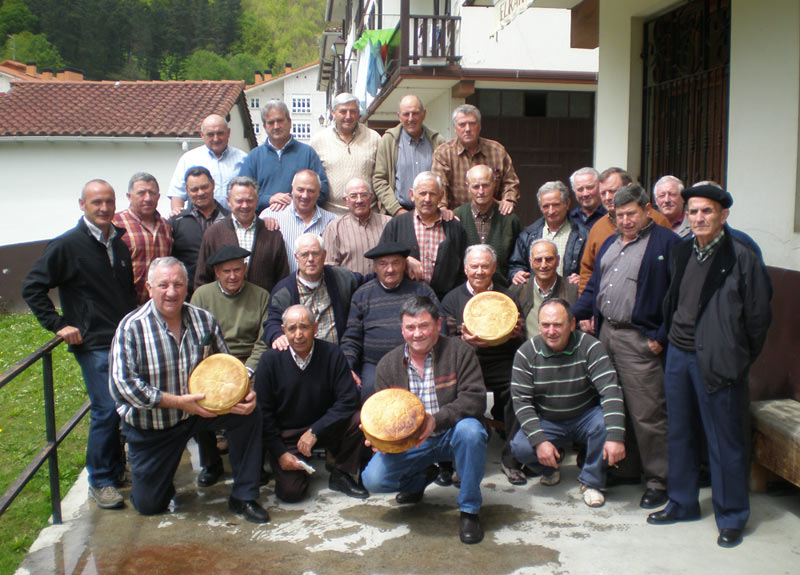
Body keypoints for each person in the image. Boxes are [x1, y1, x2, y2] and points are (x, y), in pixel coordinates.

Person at [648, 182, 772, 549]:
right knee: (680, 434)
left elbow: (759, 316)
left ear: (724, 215)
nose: (699, 218)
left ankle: (732, 515)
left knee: (725, 440)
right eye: (694, 212)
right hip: (679, 357)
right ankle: (682, 502)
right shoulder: (682, 250)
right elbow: (674, 299)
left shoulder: (742, 254)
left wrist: (737, 355)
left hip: (719, 360)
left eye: (707, 211)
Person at [109, 257, 268, 523]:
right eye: (163, 285)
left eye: (178, 284)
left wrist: (244, 393)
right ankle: (160, 481)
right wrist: (178, 402)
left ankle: (244, 496)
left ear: (187, 288)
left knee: (249, 413)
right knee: (150, 505)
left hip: (198, 411)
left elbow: (226, 365)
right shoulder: (131, 327)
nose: (171, 292)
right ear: (149, 288)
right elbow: (122, 386)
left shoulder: (204, 320)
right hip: (154, 425)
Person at [22, 179, 137, 510]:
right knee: (105, 409)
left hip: (121, 339)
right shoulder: (67, 245)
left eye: (109, 202)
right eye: (96, 202)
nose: (103, 208)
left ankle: (115, 470)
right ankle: (99, 480)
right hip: (93, 343)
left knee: (118, 408)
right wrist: (58, 325)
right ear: (82, 205)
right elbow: (33, 287)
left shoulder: (117, 242)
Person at [573, 184, 681, 509]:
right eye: (619, 215)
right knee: (612, 405)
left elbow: (679, 296)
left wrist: (660, 336)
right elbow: (594, 286)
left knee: (647, 412)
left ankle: (658, 481)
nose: (626, 220)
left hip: (639, 339)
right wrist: (576, 314)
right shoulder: (609, 241)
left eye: (631, 213)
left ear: (648, 209)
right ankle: (627, 468)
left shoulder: (667, 243)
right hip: (606, 334)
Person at [361, 296, 488, 545]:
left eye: (423, 326)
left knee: (472, 432)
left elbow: (475, 400)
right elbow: (382, 415)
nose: (417, 334)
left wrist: (436, 420)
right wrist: (376, 437)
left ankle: (470, 510)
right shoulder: (387, 365)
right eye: (410, 327)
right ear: (402, 329)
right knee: (373, 479)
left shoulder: (460, 351)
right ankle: (420, 477)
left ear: (438, 325)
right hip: (411, 443)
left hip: (452, 433)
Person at [509, 298, 626, 508]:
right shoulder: (526, 353)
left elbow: (610, 391)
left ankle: (592, 482)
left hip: (585, 416)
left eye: (558, 325)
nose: (551, 331)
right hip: (548, 420)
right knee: (520, 447)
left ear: (572, 324)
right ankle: (550, 468)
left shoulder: (590, 347)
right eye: (545, 325)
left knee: (605, 425)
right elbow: (522, 402)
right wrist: (540, 442)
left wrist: (616, 437)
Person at [254, 305, 369, 502]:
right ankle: (301, 465)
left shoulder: (332, 354)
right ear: (283, 330)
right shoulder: (269, 361)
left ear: (315, 328)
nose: (298, 334)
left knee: (361, 418)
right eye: (292, 328)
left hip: (325, 427)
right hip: (289, 435)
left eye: (304, 327)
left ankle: (341, 472)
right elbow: (263, 413)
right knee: (291, 494)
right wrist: (280, 453)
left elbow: (348, 399)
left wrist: (315, 430)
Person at [441, 245, 526, 485]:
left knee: (518, 389)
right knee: (453, 393)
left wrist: (513, 333)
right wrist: (464, 341)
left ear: (494, 268)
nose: (479, 271)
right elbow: (445, 343)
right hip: (466, 362)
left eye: (485, 266)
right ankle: (459, 463)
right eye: (474, 266)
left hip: (501, 360)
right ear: (465, 268)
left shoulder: (507, 297)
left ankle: (512, 459)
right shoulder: (452, 299)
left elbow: (519, 337)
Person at [189, 245, 270, 487]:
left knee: (255, 401)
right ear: (216, 272)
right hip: (213, 364)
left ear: (245, 269)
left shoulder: (261, 296)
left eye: (237, 270)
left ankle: (250, 464)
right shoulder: (202, 296)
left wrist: (246, 371)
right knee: (199, 398)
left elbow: (264, 339)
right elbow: (196, 339)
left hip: (248, 363)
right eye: (226, 271)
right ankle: (211, 463)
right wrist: (215, 371)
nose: (232, 276)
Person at [340, 241, 441, 400]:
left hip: (420, 360)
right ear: (375, 267)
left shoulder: (421, 290)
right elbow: (352, 337)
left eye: (396, 263)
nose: (390, 269)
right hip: (375, 364)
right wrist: (348, 366)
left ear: (404, 264)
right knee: (370, 396)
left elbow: (439, 328)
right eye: (383, 264)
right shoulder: (362, 295)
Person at [577, 168, 672, 295]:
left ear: (629, 188)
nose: (608, 198)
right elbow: (587, 271)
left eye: (612, 191)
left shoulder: (658, 221)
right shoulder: (598, 227)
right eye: (603, 193)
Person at [378, 171, 467, 300]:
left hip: (443, 302)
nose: (427, 199)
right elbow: (381, 259)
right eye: (422, 193)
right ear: (412, 195)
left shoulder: (454, 227)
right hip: (404, 300)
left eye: (432, 194)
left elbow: (463, 269)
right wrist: (405, 259)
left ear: (441, 196)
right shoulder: (397, 224)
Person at [263, 234, 359, 349]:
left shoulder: (342, 278)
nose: (310, 259)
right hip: (302, 360)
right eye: (304, 254)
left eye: (315, 253)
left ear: (324, 255)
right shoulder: (283, 291)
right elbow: (272, 322)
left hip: (338, 358)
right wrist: (277, 335)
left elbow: (369, 282)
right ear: (296, 257)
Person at [194, 176, 289, 292]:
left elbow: (282, 279)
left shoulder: (272, 235)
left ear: (257, 200)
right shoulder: (213, 234)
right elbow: (202, 279)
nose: (244, 206)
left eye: (249, 200)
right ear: (228, 201)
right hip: (221, 308)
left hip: (263, 307)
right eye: (239, 201)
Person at [238, 99, 329, 213]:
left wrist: (295, 200)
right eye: (271, 122)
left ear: (290, 122)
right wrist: (268, 199)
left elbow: (323, 189)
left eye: (280, 120)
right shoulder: (254, 157)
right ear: (265, 127)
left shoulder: (307, 153)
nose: (276, 126)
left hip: (301, 223)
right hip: (263, 224)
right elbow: (241, 192)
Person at [432, 104, 519, 213]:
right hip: (455, 217)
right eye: (462, 124)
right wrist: (442, 209)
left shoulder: (497, 151)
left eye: (472, 124)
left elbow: (510, 182)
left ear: (480, 125)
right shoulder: (444, 153)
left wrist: (508, 200)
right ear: (455, 128)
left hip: (492, 216)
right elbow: (438, 184)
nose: (467, 129)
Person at [373, 94, 445, 216]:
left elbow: (444, 180)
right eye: (406, 114)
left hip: (432, 214)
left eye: (415, 113)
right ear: (399, 116)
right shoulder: (389, 141)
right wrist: (397, 210)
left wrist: (441, 206)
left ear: (424, 114)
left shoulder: (437, 141)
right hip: (397, 213)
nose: (411, 118)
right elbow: (379, 180)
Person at [310, 92, 381, 216]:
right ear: (333, 113)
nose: (348, 116)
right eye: (343, 112)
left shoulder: (374, 138)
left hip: (367, 215)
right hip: (331, 216)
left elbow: (381, 177)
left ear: (358, 113)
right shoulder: (318, 141)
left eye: (353, 111)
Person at [453, 164, 521, 288]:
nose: (481, 191)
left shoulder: (509, 219)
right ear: (468, 188)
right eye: (475, 186)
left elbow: (517, 260)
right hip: (465, 292)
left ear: (494, 184)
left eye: (485, 185)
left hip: (501, 291)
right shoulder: (457, 217)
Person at [507, 181, 586, 286]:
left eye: (556, 205)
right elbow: (516, 265)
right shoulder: (528, 235)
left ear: (567, 204)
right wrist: (516, 274)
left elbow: (593, 270)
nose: (551, 211)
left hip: (569, 297)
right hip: (536, 298)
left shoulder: (583, 235)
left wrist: (584, 279)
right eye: (546, 206)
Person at [260, 169, 337, 274]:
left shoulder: (332, 222)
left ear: (319, 192)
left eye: (311, 191)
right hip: (282, 288)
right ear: (292, 189)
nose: (305, 196)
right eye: (300, 190)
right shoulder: (271, 215)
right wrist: (262, 223)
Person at [167, 114, 248, 214]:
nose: (216, 138)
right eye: (210, 134)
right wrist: (178, 218)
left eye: (220, 133)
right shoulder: (189, 159)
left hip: (233, 222)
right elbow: (177, 194)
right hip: (199, 223)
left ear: (228, 133)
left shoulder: (243, 159)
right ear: (202, 135)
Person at [113, 172, 173, 304]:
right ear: (129, 196)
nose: (148, 198)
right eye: (141, 193)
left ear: (158, 197)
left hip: (158, 304)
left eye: (152, 193)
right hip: (125, 305)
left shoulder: (166, 227)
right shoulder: (116, 223)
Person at [169, 166, 229, 295]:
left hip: (225, 295)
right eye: (194, 189)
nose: (200, 193)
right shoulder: (177, 222)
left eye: (204, 187)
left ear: (213, 185)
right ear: (187, 191)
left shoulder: (230, 219)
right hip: (187, 295)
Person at [509, 239, 578, 339]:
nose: (543, 265)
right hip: (528, 353)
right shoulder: (518, 289)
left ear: (558, 260)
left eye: (549, 259)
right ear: (530, 262)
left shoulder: (572, 289)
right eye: (538, 260)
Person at [322, 177, 391, 275]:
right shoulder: (334, 228)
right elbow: (330, 269)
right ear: (346, 200)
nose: (359, 200)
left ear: (370, 197)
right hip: (350, 289)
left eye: (363, 195)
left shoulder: (388, 223)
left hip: (382, 288)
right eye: (353, 196)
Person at [568, 167, 606, 231]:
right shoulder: (569, 219)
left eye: (590, 188)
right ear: (574, 191)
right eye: (580, 189)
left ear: (600, 187)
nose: (585, 194)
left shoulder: (611, 216)